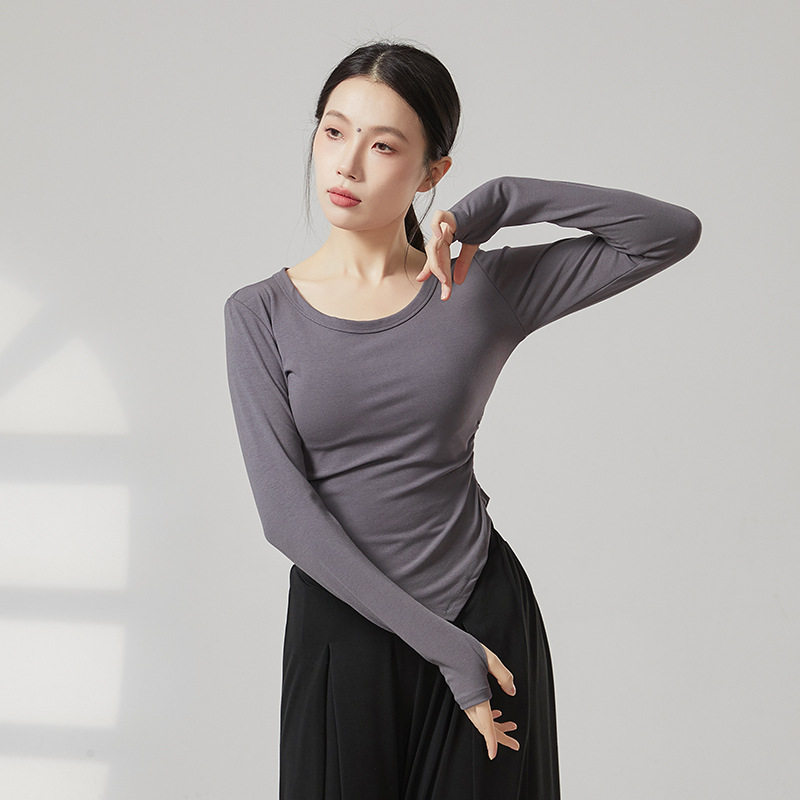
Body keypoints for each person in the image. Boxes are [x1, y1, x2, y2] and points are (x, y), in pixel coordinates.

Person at [224, 39, 701, 800]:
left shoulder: (480, 287)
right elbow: (286, 516)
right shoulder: (260, 314)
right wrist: (446, 650)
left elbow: (668, 233)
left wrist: (503, 200)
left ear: (431, 172)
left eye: (384, 146)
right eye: (334, 132)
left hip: (481, 612)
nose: (348, 164)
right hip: (345, 632)